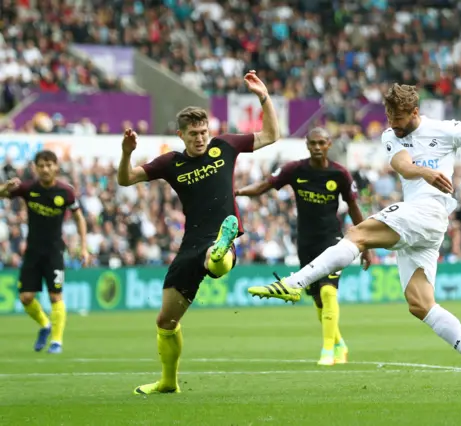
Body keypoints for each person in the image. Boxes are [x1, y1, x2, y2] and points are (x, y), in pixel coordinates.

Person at [248, 83, 461, 393]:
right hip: (423, 223)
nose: (392, 122)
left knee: (357, 234)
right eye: (389, 115)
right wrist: (425, 172)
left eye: (399, 117)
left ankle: (292, 284)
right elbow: (401, 164)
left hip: (429, 212)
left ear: (415, 112)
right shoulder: (391, 134)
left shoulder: (446, 130)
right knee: (420, 304)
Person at [117, 71, 280, 395]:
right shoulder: (171, 163)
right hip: (190, 242)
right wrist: (126, 152)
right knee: (166, 321)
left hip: (220, 234)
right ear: (181, 134)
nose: (201, 138)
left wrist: (264, 97)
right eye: (193, 134)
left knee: (215, 258)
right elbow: (126, 179)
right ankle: (168, 382)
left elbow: (271, 135)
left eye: (204, 131)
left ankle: (221, 249)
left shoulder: (226, 146)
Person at [235, 127, 371, 366]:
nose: (317, 147)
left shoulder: (340, 174)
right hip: (306, 242)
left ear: (329, 144)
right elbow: (264, 186)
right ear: (307, 145)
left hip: (332, 241)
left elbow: (354, 208)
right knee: (318, 300)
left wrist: (365, 245)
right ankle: (339, 342)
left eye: (322, 143)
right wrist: (236, 191)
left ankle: (328, 350)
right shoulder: (295, 170)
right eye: (313, 143)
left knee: (329, 292)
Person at [0, 150, 89, 354]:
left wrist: (83, 246)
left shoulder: (65, 192)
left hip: (54, 252)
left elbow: (79, 218)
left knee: (55, 296)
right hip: (32, 251)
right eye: (41, 165)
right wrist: (5, 188)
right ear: (36, 168)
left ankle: (57, 341)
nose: (45, 169)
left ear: (56, 167)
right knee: (26, 298)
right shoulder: (27, 188)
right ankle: (45, 324)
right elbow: (2, 193)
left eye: (49, 165)